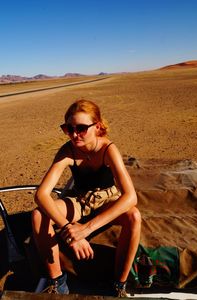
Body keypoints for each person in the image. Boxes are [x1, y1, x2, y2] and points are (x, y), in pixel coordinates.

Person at [32, 99, 141, 297]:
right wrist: (68, 230)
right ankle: (57, 282)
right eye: (68, 128)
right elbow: (41, 194)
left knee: (134, 217)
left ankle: (118, 285)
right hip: (81, 201)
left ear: (97, 126)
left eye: (81, 128)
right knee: (39, 216)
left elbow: (130, 196)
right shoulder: (68, 150)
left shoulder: (108, 149)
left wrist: (86, 229)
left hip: (107, 200)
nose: (74, 135)